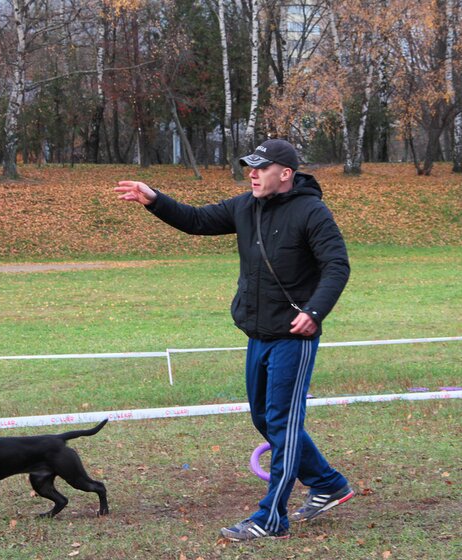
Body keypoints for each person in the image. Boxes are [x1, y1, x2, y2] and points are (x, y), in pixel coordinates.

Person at [115, 138, 354, 542]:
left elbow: (337, 266)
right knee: (265, 418)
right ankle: (328, 483)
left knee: (284, 423)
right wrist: (154, 200)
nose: (252, 173)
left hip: (292, 338)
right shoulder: (245, 207)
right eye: (250, 167)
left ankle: (272, 518)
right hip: (257, 334)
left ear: (286, 174)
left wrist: (313, 313)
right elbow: (197, 220)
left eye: (261, 168)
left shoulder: (312, 211)